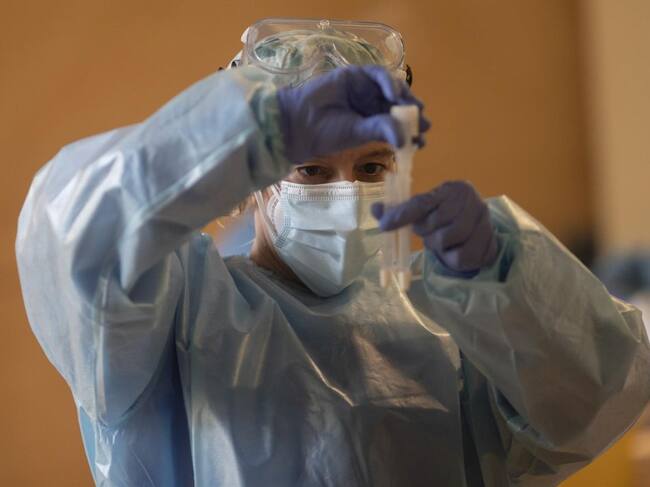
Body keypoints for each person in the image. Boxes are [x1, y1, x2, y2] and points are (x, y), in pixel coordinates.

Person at [15, 18, 650, 487]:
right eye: (312, 169)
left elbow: (596, 402)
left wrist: (511, 282)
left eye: (371, 167)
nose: (346, 193)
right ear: (256, 178)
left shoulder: (447, 323)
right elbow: (77, 236)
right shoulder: (177, 319)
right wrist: (247, 132)